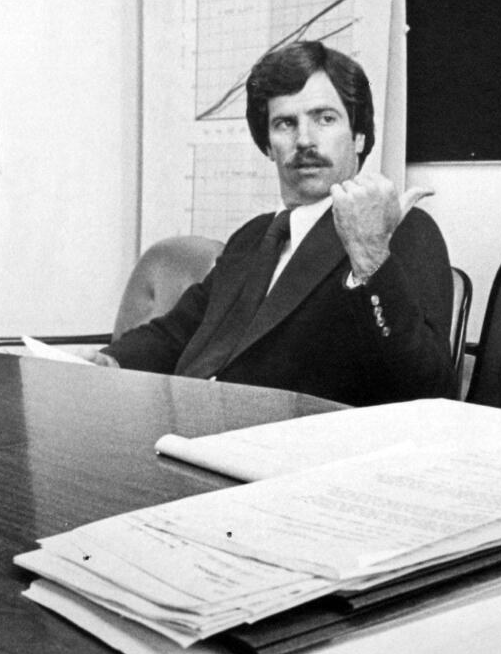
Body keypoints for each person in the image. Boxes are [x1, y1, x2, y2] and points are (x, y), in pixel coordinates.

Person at [96, 41, 455, 406]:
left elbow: (428, 390)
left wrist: (371, 259)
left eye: (325, 118)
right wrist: (110, 360)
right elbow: (179, 332)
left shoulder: (401, 228)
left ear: (359, 136)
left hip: (289, 446)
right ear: (268, 145)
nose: (304, 140)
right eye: (285, 123)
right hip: (191, 427)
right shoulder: (253, 237)